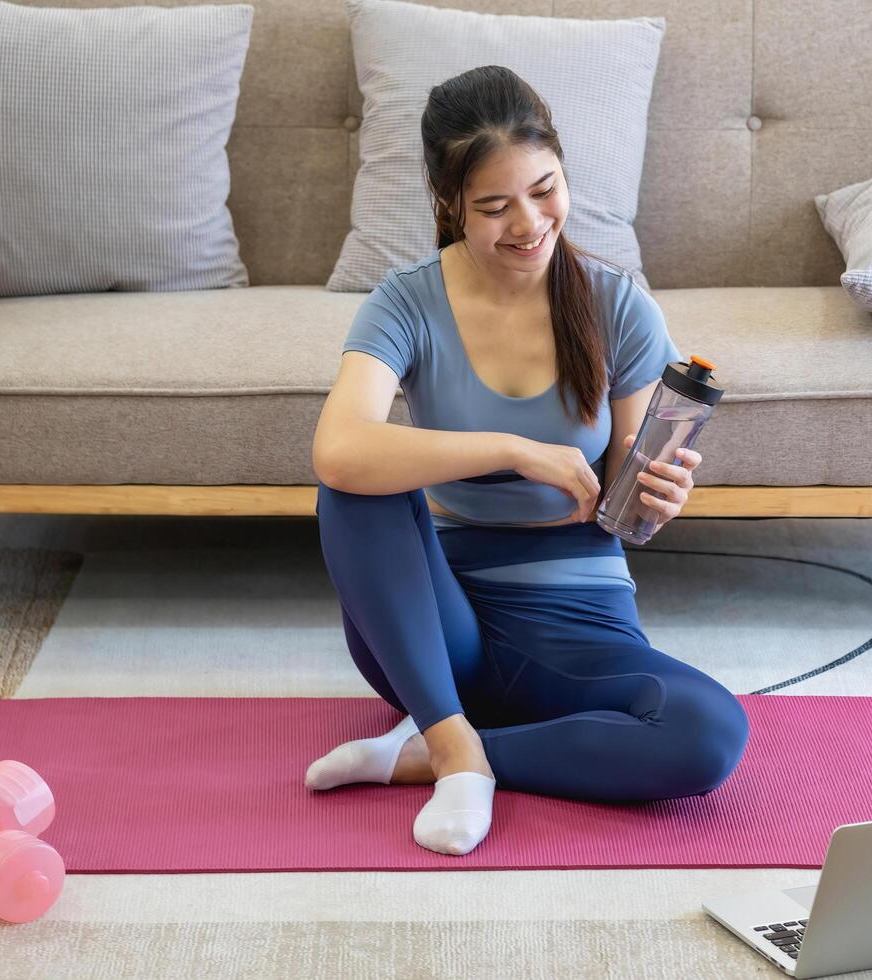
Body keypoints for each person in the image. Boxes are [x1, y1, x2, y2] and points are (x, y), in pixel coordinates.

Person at [308, 65, 749, 857]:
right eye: (494, 205)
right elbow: (338, 447)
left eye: (544, 189)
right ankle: (453, 743)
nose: (529, 223)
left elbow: (628, 504)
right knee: (352, 485)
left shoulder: (617, 306)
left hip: (577, 621)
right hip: (435, 628)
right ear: (449, 204)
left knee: (708, 733)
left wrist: (658, 496)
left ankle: (432, 757)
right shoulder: (406, 302)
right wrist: (515, 449)